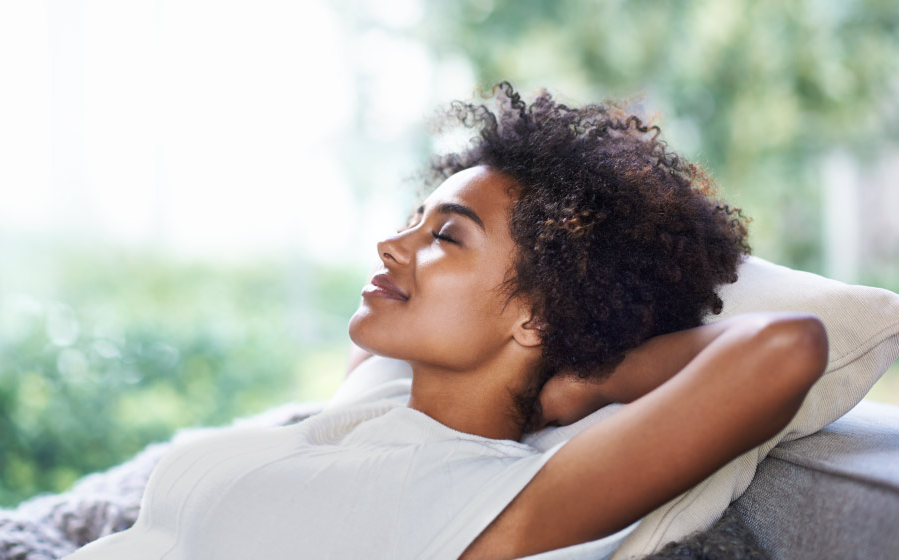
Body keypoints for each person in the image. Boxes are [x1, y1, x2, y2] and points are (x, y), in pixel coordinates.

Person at [65, 83, 827, 560]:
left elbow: (787, 346)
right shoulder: (376, 404)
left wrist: (582, 385)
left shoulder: (485, 500)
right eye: (412, 220)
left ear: (535, 315)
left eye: (444, 236)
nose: (392, 245)